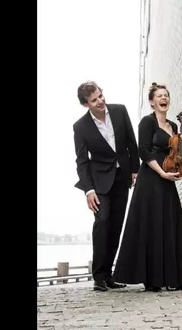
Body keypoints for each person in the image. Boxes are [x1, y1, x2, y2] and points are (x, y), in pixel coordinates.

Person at [113, 82, 182, 291]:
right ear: (152, 102)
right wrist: (161, 172)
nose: (163, 98)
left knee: (169, 224)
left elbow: (176, 153)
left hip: (167, 179)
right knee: (152, 225)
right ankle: (153, 279)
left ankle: (172, 278)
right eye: (159, 96)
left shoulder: (173, 126)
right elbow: (144, 151)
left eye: (166, 95)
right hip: (151, 177)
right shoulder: (147, 123)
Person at [72, 81, 139, 291]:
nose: (100, 101)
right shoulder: (80, 127)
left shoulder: (119, 111)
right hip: (99, 182)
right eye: (94, 100)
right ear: (86, 105)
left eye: (101, 96)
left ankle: (109, 275)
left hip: (122, 178)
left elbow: (131, 142)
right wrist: (88, 190)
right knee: (102, 222)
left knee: (116, 225)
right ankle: (99, 276)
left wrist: (134, 170)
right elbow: (82, 161)